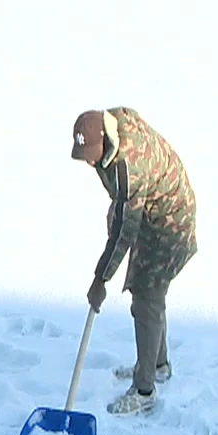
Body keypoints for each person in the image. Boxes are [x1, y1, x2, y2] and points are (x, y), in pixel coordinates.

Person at [71, 107, 198, 415]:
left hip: (170, 222)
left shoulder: (129, 164)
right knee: (149, 295)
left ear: (105, 140)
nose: (89, 161)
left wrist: (100, 279)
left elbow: (124, 231)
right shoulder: (113, 131)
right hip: (154, 208)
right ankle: (157, 363)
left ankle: (145, 389)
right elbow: (125, 206)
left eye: (91, 154)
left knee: (146, 296)